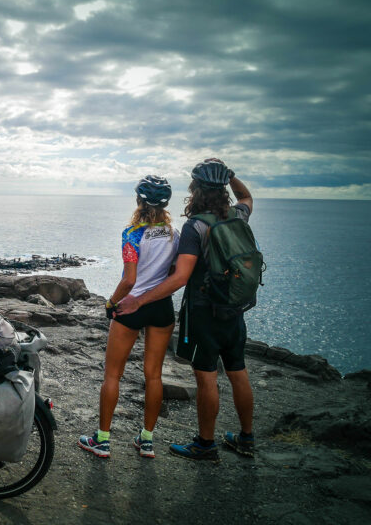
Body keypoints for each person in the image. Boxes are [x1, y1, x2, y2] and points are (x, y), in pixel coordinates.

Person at [116, 158, 255, 461]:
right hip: (235, 308)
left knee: (206, 377)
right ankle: (246, 438)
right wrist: (230, 175)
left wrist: (139, 300)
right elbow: (247, 197)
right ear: (221, 189)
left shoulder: (196, 227)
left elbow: (180, 277)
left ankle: (205, 444)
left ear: (196, 190)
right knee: (237, 370)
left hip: (206, 312)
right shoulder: (238, 215)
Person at [78, 175, 179, 459]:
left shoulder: (132, 233)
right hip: (161, 305)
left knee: (112, 375)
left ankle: (102, 440)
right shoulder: (174, 234)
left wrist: (112, 302)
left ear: (139, 201)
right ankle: (146, 440)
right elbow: (173, 273)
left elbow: (129, 280)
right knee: (154, 376)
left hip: (131, 305)